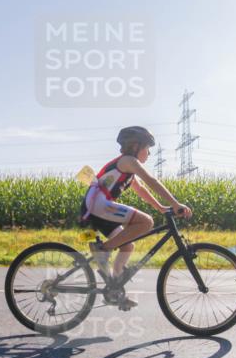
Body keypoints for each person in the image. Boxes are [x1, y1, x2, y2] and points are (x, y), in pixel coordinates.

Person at [80, 126, 193, 306]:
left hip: (97, 209)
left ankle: (113, 289)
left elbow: (142, 189)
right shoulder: (128, 161)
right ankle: (103, 249)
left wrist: (161, 207)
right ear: (135, 146)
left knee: (127, 246)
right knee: (146, 222)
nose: (149, 153)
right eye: (147, 148)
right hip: (98, 205)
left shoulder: (129, 169)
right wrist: (175, 204)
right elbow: (152, 181)